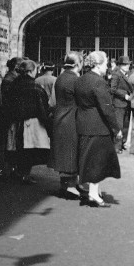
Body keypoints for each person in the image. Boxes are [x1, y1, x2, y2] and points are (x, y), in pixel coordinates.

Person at [75, 51, 122, 207]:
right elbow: (106, 108)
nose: (107, 66)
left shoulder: (81, 79)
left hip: (84, 124)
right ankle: (94, 194)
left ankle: (93, 191)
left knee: (89, 160)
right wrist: (116, 128)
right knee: (98, 161)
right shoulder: (99, 82)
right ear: (98, 64)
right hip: (98, 126)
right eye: (105, 63)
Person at [7, 59, 52, 185]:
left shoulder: (14, 84)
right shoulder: (35, 87)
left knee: (17, 148)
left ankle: (17, 172)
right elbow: (42, 107)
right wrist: (47, 123)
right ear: (32, 71)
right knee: (29, 151)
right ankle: (25, 174)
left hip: (15, 122)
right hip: (31, 123)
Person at [49, 52, 83, 198]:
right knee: (72, 152)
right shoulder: (75, 79)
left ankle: (65, 185)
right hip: (71, 118)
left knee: (64, 152)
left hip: (60, 117)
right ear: (78, 64)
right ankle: (70, 186)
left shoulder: (61, 77)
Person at [109, 55, 132, 152]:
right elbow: (112, 89)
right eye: (124, 65)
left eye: (128, 64)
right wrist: (124, 95)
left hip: (127, 104)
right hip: (118, 104)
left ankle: (122, 143)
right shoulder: (116, 74)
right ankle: (117, 146)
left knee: (126, 125)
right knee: (119, 125)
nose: (127, 66)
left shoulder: (128, 74)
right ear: (120, 65)